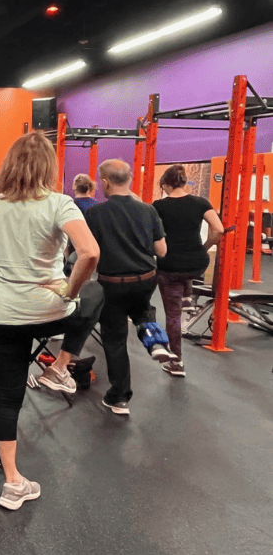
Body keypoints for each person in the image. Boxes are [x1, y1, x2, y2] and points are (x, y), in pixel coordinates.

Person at [0, 132, 101, 510]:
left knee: (7, 394)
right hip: (48, 315)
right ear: (49, 167)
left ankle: (12, 481)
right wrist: (69, 291)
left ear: (9, 166)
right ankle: (59, 366)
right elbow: (90, 253)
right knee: (96, 293)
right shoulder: (61, 204)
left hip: (0, 316)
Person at [86, 159, 175, 416]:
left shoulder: (95, 214)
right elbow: (161, 250)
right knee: (142, 310)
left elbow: (89, 252)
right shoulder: (148, 210)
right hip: (145, 279)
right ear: (131, 179)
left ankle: (119, 397)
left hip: (112, 284)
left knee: (115, 339)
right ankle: (155, 341)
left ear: (104, 183)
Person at [152, 165, 224, 376]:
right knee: (187, 272)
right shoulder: (201, 202)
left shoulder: (158, 206)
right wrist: (205, 247)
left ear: (165, 184)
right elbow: (219, 229)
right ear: (184, 182)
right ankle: (187, 297)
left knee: (173, 316)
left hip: (170, 266)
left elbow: (151, 235)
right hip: (197, 264)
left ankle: (176, 363)